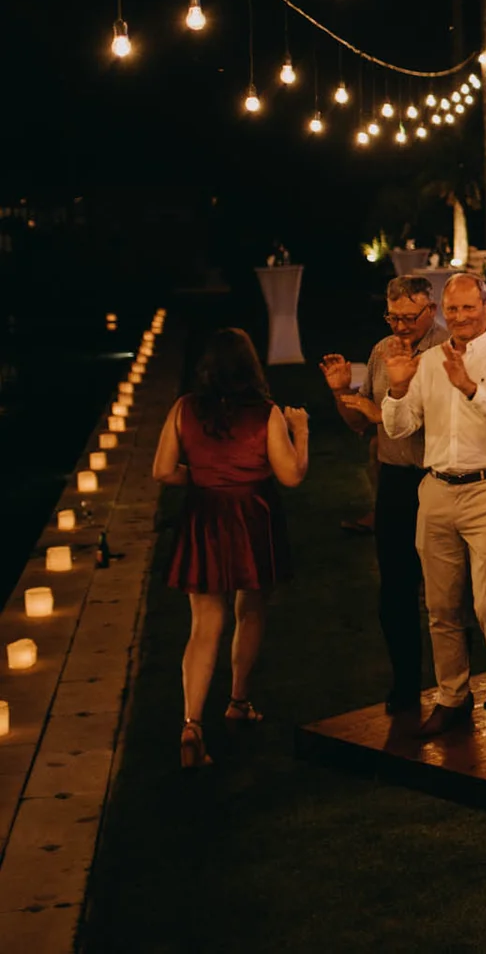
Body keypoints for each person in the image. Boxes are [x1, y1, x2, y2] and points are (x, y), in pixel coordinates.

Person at [380, 272, 486, 751]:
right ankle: (452, 696)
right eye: (453, 309)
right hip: (437, 490)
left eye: (470, 308)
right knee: (441, 605)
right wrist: (397, 390)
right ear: (443, 312)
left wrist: (471, 389)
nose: (461, 317)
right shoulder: (429, 361)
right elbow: (400, 427)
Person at [155, 329, 307, 768]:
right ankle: (238, 701)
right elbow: (291, 475)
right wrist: (301, 433)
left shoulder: (184, 408)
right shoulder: (266, 413)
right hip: (252, 517)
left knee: (204, 624)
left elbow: (162, 470)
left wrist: (205, 476)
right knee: (251, 609)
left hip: (203, 517)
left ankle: (191, 724)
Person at [317, 276, 445, 715]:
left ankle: (455, 687)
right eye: (393, 317)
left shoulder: (447, 349)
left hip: (438, 476)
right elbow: (360, 423)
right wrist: (341, 392)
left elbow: (444, 420)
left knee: (448, 591)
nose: (401, 326)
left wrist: (382, 410)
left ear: (431, 310)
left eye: (409, 317)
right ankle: (405, 683)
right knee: (394, 588)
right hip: (395, 479)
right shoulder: (382, 350)